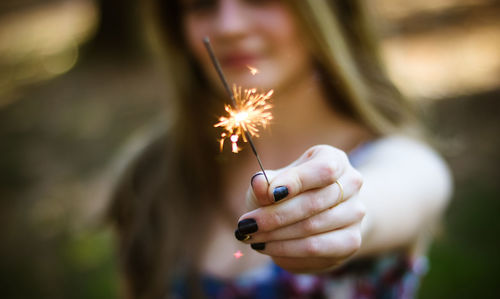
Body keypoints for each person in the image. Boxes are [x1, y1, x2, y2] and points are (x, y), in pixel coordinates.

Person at [108, 0, 452, 298]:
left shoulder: (399, 160)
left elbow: (400, 191)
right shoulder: (152, 175)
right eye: (201, 3)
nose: (228, 26)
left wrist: (340, 208)